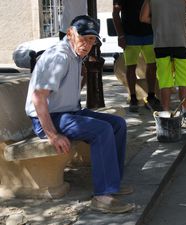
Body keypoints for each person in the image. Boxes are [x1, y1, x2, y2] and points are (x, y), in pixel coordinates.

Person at [25, 15, 134, 214]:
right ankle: (102, 196)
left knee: (118, 123)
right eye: (83, 38)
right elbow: (38, 98)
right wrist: (52, 134)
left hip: (68, 112)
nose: (87, 44)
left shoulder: (75, 55)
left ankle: (113, 183)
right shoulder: (60, 56)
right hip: (49, 119)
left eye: (92, 40)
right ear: (70, 34)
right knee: (102, 130)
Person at [140, 0, 186, 128]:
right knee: (184, 81)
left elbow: (143, 17)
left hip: (161, 43)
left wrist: (158, 20)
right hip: (181, 42)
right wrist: (182, 17)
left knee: (165, 82)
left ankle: (166, 115)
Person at [112, 0, 162, 113]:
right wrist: (120, 36)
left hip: (150, 34)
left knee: (152, 66)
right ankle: (133, 98)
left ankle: (151, 96)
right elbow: (115, 14)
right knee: (130, 67)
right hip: (130, 35)